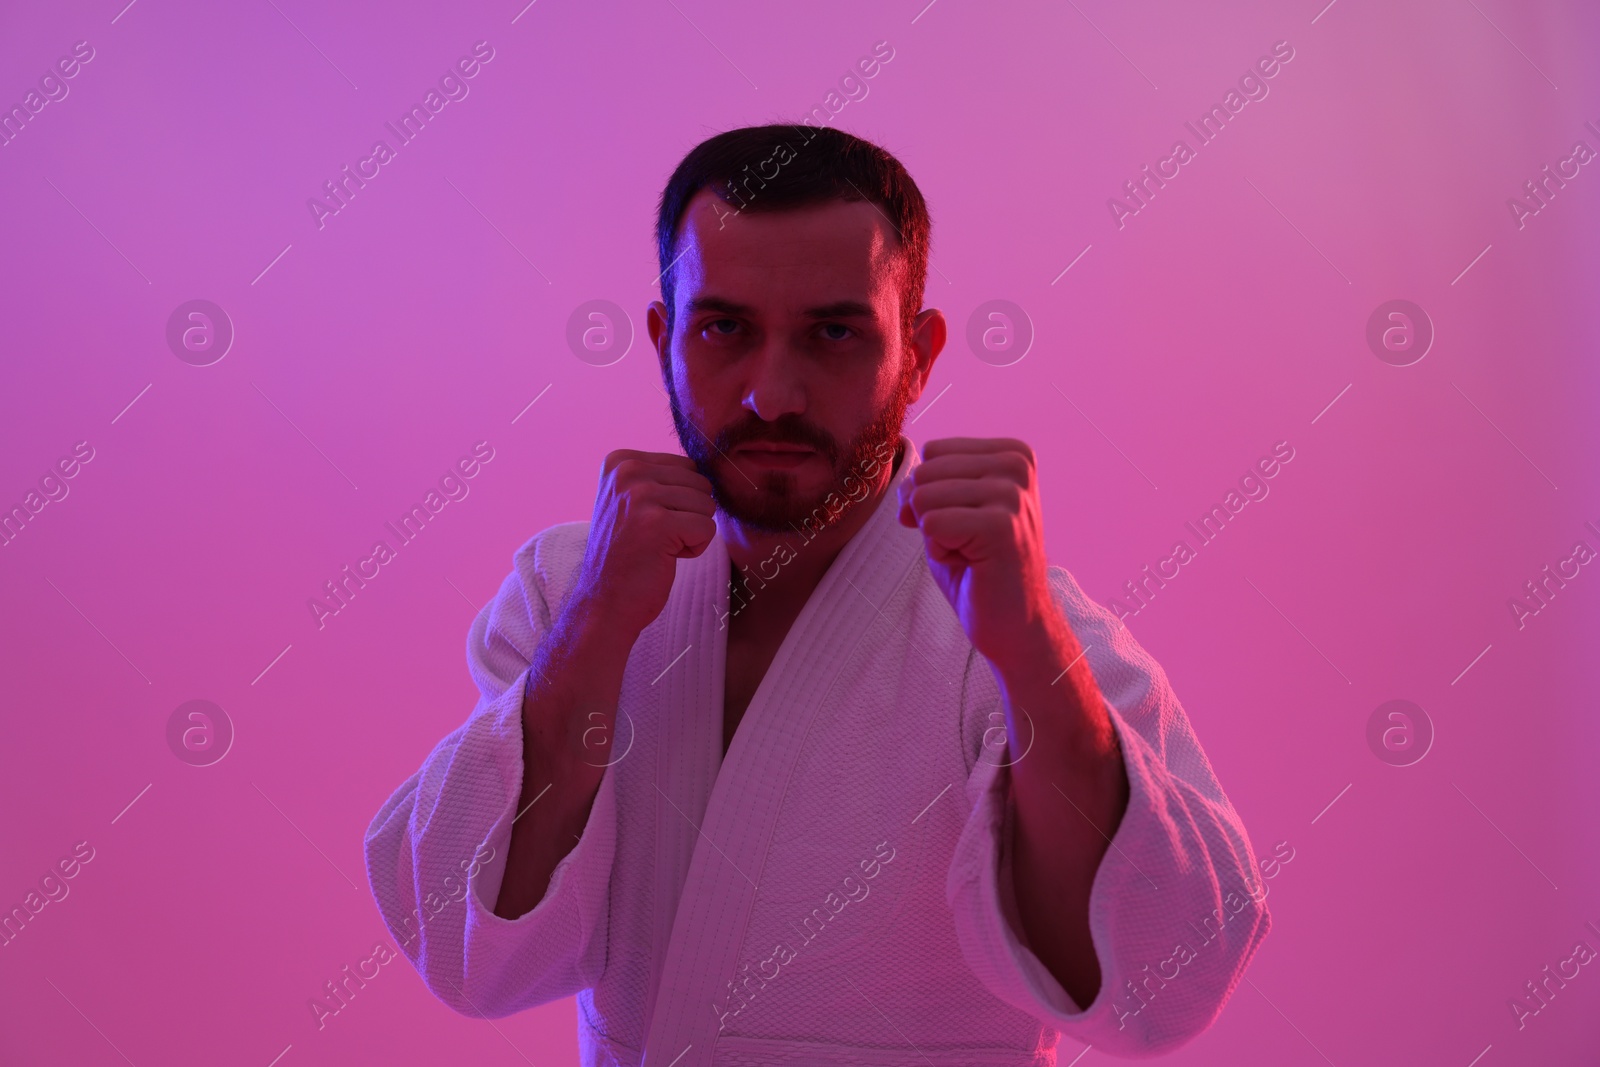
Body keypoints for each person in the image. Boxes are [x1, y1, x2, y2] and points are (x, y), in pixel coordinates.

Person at [364, 124, 1270, 1066]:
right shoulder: (568, 589)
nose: (773, 393)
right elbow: (463, 947)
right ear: (663, 338)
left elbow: (1168, 982)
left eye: (834, 333)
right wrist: (598, 626)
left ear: (918, 354)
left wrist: (1031, 649)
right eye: (725, 329)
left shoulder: (1015, 626)